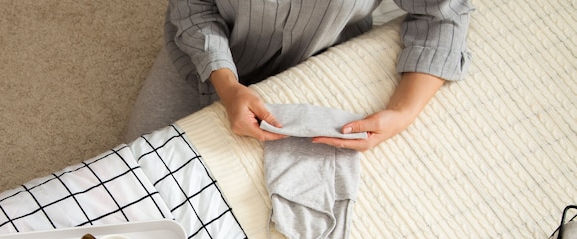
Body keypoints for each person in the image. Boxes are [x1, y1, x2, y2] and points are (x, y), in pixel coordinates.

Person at [124, 0, 474, 152]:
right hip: (206, 52)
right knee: (136, 163)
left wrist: (402, 113)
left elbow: (444, 14)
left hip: (321, 59)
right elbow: (192, 8)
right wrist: (228, 86)